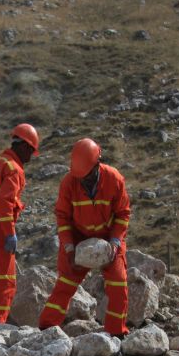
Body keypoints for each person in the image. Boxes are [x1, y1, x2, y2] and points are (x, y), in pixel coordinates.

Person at [39, 138, 132, 336]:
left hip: (108, 238)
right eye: (80, 177)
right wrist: (69, 249)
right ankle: (47, 329)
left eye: (87, 176)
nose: (83, 180)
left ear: (98, 164)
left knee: (118, 283)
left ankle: (116, 333)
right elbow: (63, 218)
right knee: (65, 284)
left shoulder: (114, 179)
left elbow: (123, 214)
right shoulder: (69, 182)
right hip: (78, 238)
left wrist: (115, 243)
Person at [0, 123, 39, 323]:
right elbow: (5, 203)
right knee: (5, 281)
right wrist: (9, 233)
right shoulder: (13, 168)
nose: (30, 157)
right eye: (31, 151)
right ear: (24, 146)